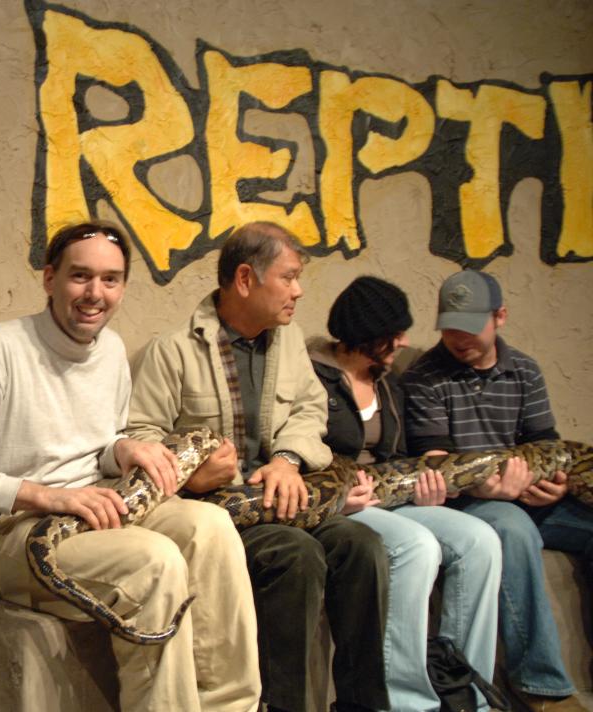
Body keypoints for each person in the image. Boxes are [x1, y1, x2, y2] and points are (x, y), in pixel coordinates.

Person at [0, 222, 260, 712]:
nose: (95, 293)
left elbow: (94, 441)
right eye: (80, 276)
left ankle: (231, 706)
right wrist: (46, 495)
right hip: (13, 532)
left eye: (110, 279)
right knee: (154, 560)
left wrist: (122, 450)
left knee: (211, 527)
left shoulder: (112, 350)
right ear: (49, 278)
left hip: (97, 507)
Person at [128, 221, 389, 712]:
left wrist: (288, 460)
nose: (299, 291)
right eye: (289, 278)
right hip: (220, 515)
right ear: (246, 279)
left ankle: (364, 705)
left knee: (362, 546)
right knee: (295, 554)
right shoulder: (172, 351)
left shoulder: (289, 343)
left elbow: (311, 410)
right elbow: (140, 434)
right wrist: (190, 474)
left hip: (285, 497)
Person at [401, 269, 593, 712]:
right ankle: (541, 686)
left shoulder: (524, 369)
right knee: (513, 529)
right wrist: (495, 491)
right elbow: (436, 463)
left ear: (499, 316)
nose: (458, 338)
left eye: (469, 326)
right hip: (468, 501)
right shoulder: (424, 377)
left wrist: (556, 487)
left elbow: (547, 444)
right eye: (450, 327)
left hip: (529, 494)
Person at [310, 276, 502, 712]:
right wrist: (341, 490)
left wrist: (427, 489)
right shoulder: (312, 375)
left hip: (388, 495)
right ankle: (406, 702)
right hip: (342, 499)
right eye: (395, 332)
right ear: (368, 332)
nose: (405, 341)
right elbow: (299, 446)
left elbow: (397, 455)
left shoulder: (388, 382)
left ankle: (468, 697)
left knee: (480, 541)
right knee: (416, 546)